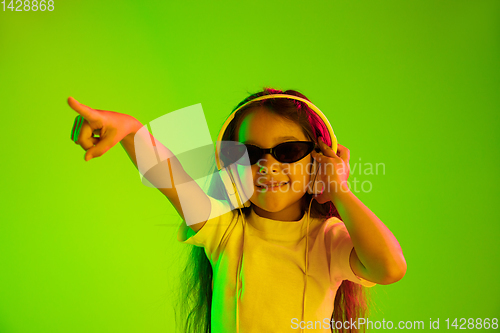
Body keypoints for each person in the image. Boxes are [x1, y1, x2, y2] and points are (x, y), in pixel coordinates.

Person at [68, 88, 406, 333]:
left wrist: (340, 192)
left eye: (288, 150)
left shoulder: (328, 241)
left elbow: (389, 268)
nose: (268, 164)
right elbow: (169, 176)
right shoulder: (225, 229)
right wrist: (130, 130)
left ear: (319, 160)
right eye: (250, 152)